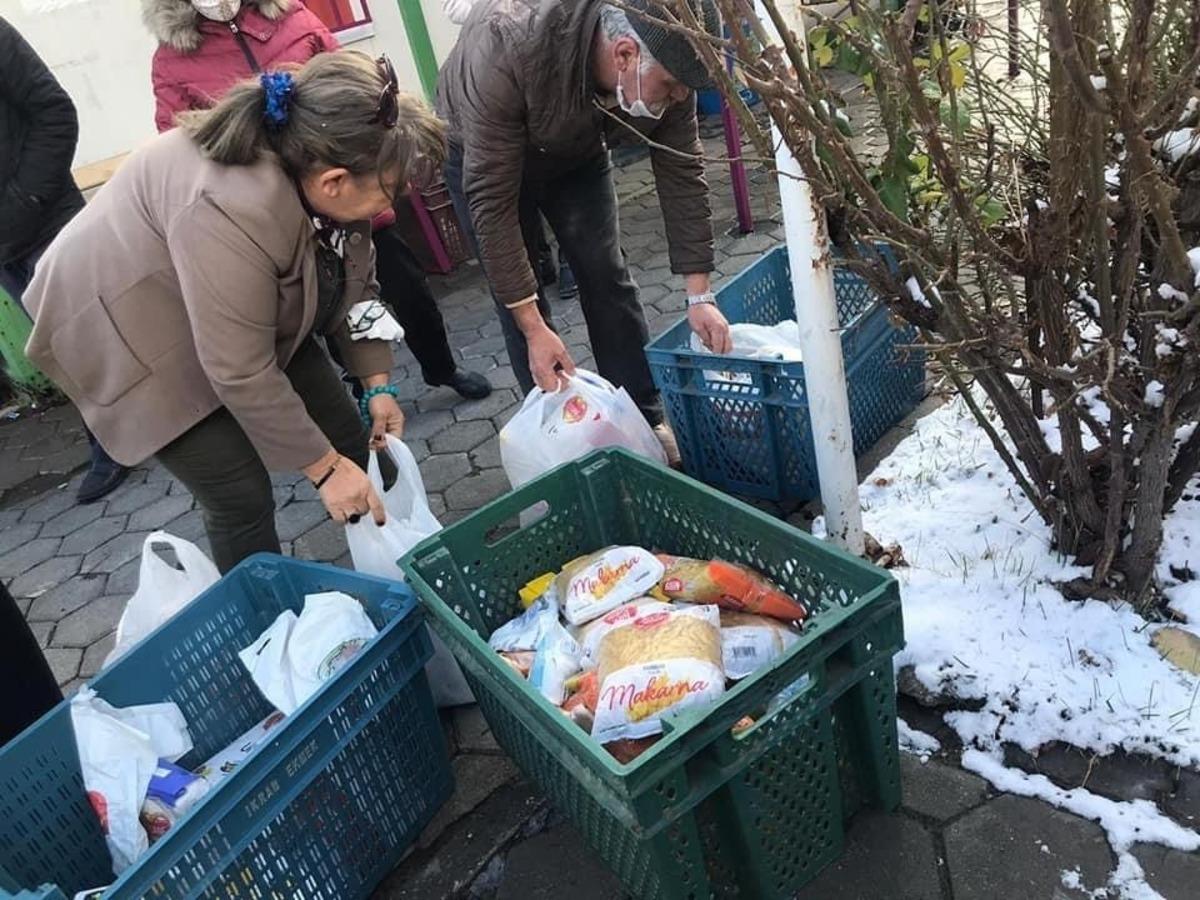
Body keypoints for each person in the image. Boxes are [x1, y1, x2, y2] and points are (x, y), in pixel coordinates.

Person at [24, 51, 441, 573]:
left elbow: (356, 284)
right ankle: (263, 625)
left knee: (350, 438)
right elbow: (239, 369)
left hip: (220, 297)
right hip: (124, 324)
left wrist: (376, 383)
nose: (393, 203)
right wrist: (324, 470)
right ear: (334, 181)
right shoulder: (230, 204)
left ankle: (404, 566)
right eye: (389, 189)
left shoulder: (332, 164)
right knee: (241, 494)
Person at [143, 0, 491, 401]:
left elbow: (352, 80)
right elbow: (180, 137)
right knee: (329, 306)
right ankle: (366, 389)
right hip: (280, 212)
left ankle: (442, 367)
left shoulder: (293, 18)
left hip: (352, 186)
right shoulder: (173, 59)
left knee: (408, 287)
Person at [438, 0, 733, 465]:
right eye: (671, 88)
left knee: (604, 270)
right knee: (519, 294)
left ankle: (641, 417)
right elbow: (491, 206)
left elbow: (682, 167)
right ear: (623, 56)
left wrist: (700, 296)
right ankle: (564, 442)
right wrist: (532, 325)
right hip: (481, 152)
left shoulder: (666, 54)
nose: (678, 98)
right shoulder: (507, 43)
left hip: (574, 146)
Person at [0, 15, 130, 503]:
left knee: (104, 329)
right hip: (4, 244)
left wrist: (22, 203)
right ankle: (110, 441)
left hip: (45, 214)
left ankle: (170, 422)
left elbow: (54, 112)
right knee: (56, 347)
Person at [440, 0, 579, 303]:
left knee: (596, 256)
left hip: (552, 66)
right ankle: (537, 266)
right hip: (486, 96)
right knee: (515, 290)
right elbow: (453, 7)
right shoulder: (488, 73)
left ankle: (570, 258)